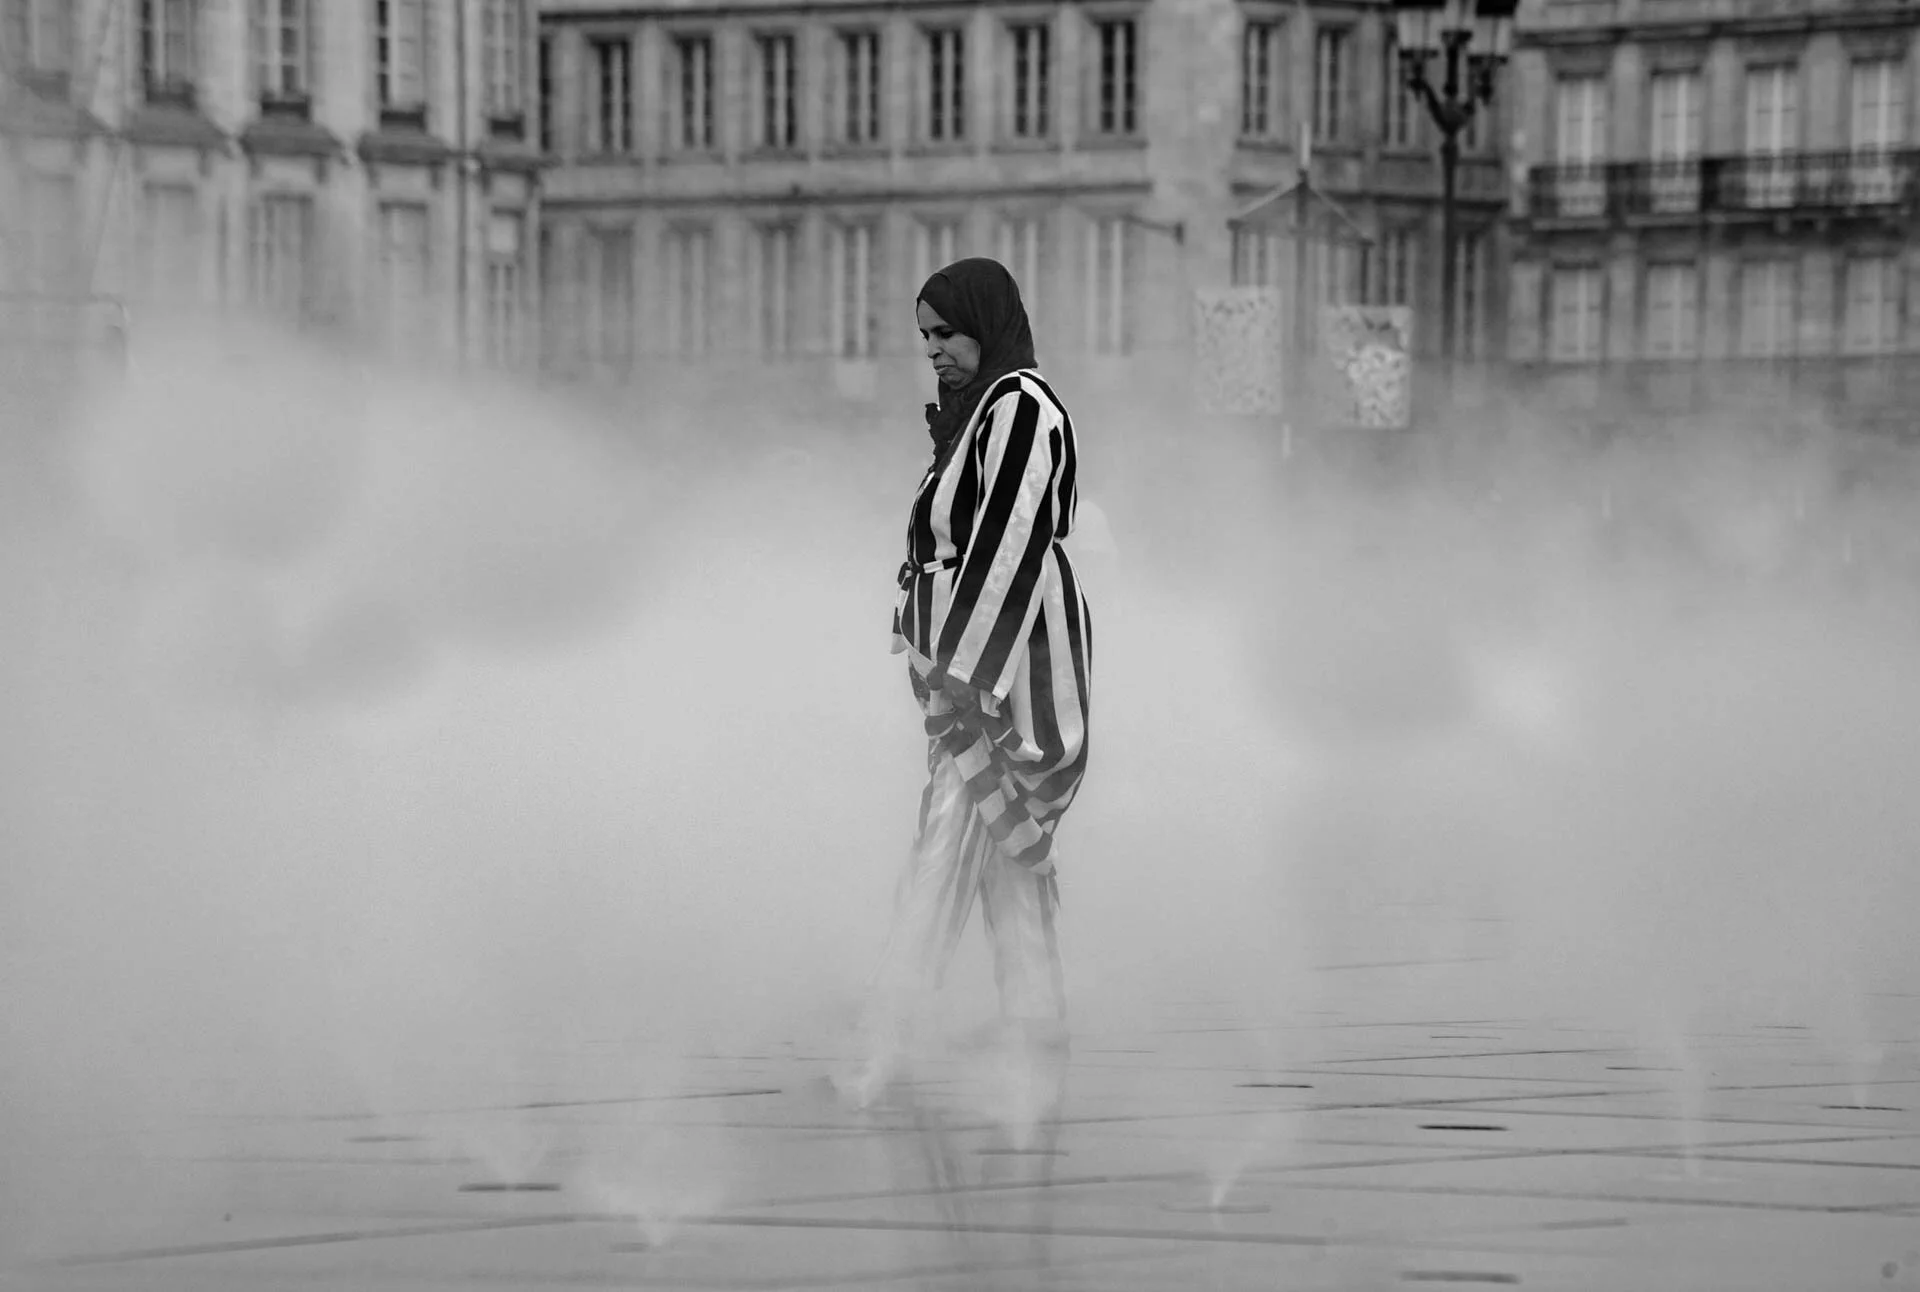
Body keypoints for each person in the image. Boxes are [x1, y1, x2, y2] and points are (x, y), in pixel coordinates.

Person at [850, 258, 1093, 1104]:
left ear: (985, 326)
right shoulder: (980, 414)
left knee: (949, 833)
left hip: (1007, 664)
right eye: (924, 338)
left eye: (946, 333)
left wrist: (965, 672)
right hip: (977, 661)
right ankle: (1036, 1020)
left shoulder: (1021, 408)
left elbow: (1009, 545)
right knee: (1001, 844)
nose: (934, 352)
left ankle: (888, 1039)